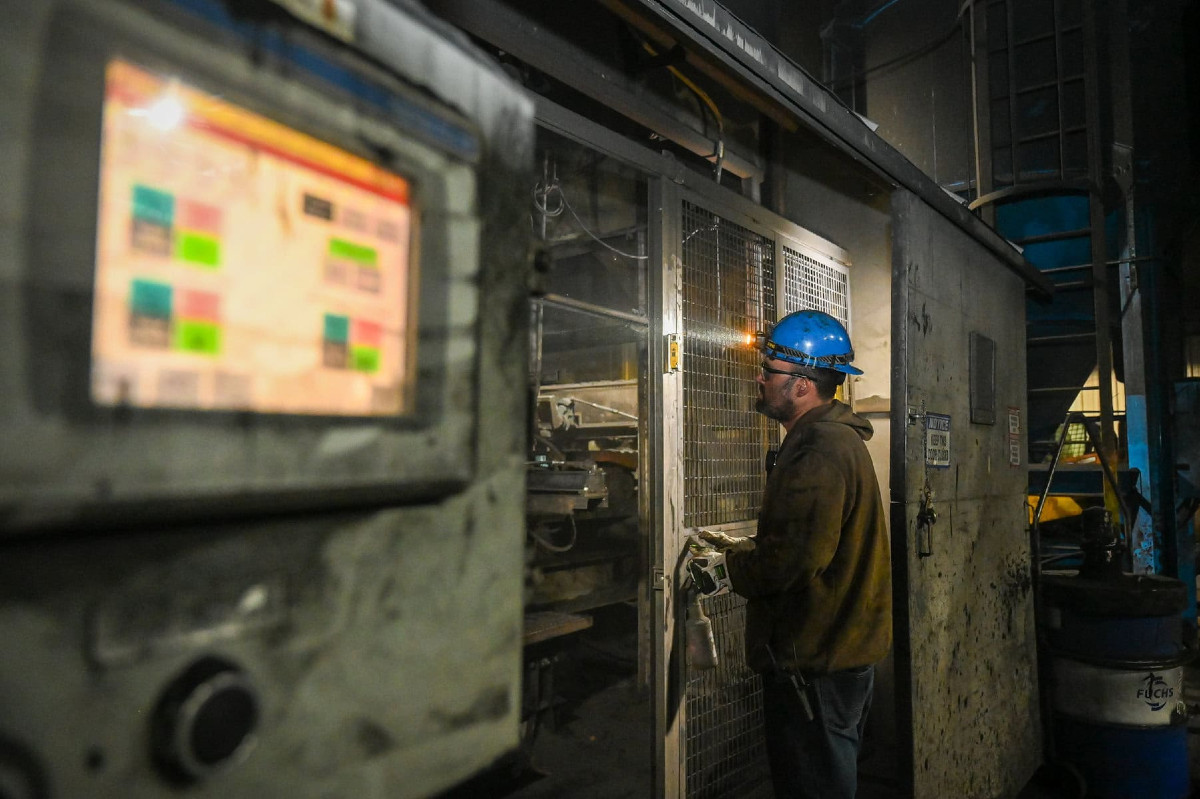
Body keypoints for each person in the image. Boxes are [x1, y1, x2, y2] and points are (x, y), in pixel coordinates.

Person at [698, 309, 892, 799]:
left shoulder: (820, 450)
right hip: (834, 652)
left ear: (802, 385)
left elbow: (795, 560)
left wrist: (730, 566)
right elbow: (811, 542)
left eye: (770, 372)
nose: (761, 380)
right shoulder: (830, 442)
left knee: (814, 785)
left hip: (817, 662)